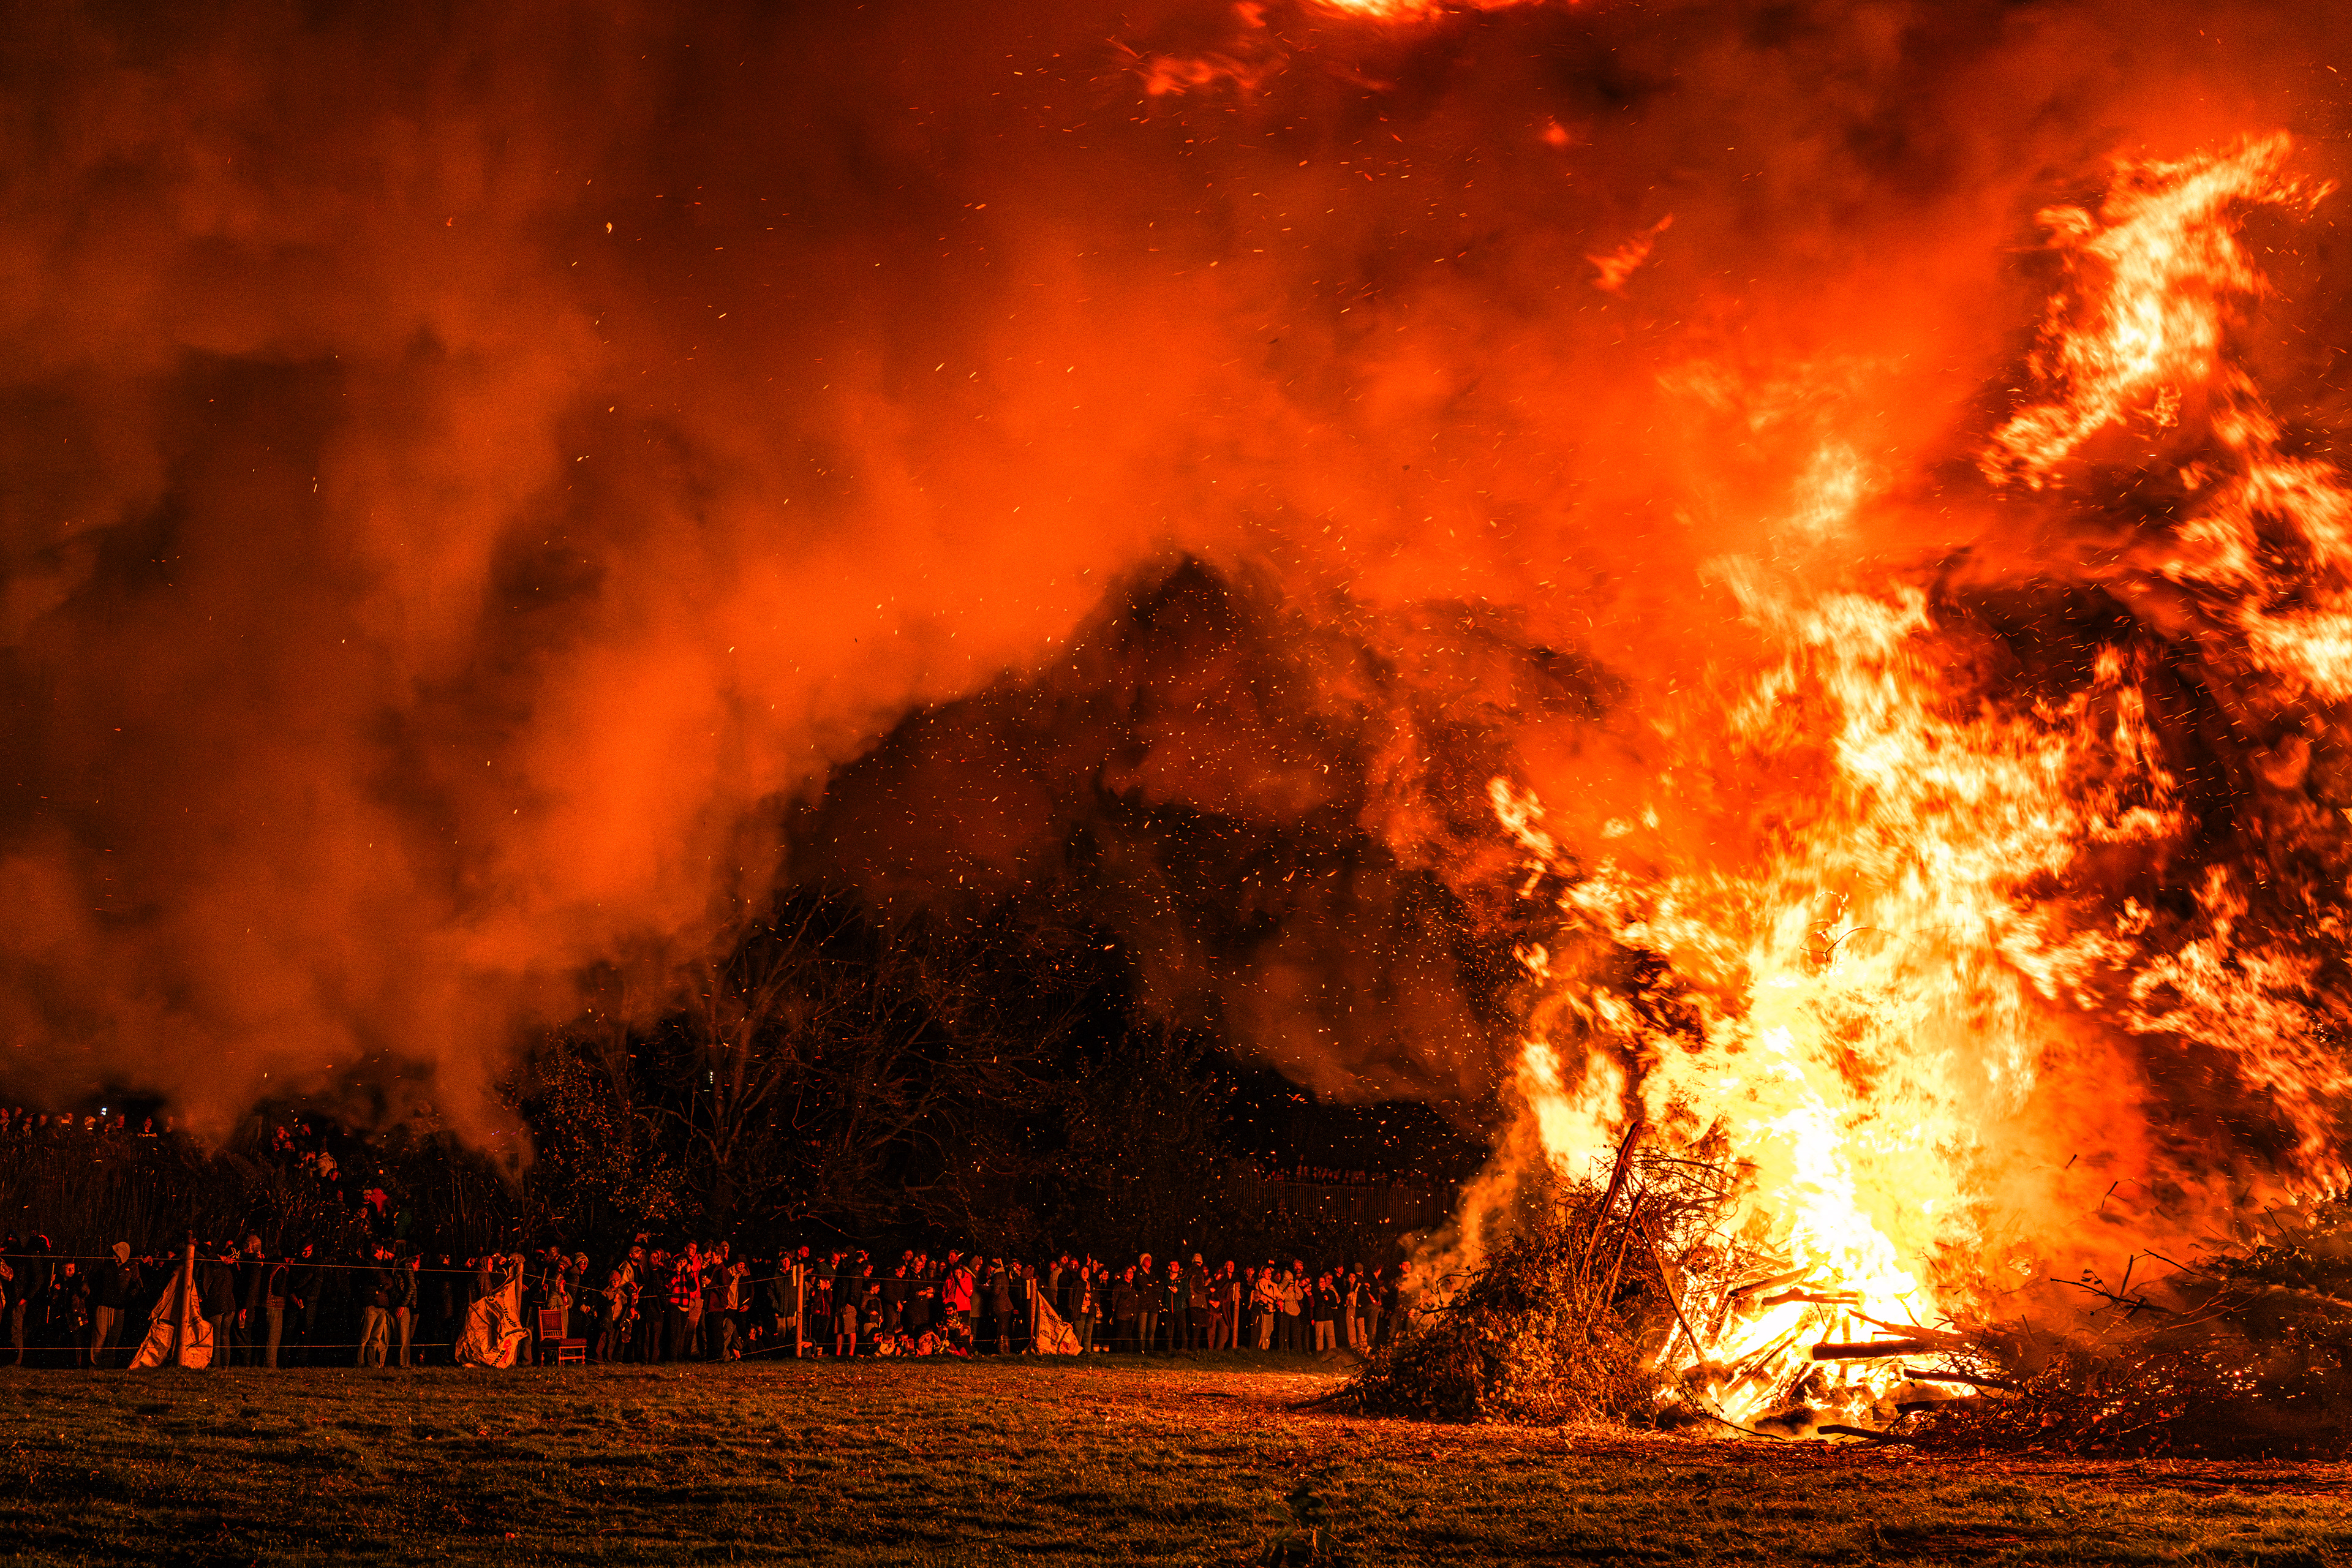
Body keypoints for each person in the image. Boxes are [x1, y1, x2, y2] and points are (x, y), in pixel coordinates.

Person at [89, 1243, 141, 1370]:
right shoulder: (106, 1265)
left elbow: (138, 1285)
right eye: (113, 1253)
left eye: (117, 1253)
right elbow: (94, 1281)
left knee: (114, 1338)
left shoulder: (132, 1267)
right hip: (104, 1305)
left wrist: (129, 1298)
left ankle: (108, 1366)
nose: (114, 1256)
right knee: (99, 1336)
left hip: (120, 1307)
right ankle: (95, 1364)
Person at [357, 1246, 393, 1368]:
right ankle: (360, 1361)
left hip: (379, 1304)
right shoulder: (371, 1264)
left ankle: (370, 1361)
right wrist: (385, 1284)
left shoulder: (377, 1265)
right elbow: (382, 1279)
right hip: (373, 1303)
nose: (383, 1252)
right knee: (366, 1335)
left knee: (375, 1336)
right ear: (378, 1251)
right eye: (382, 1250)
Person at [1110, 1267, 1139, 1354]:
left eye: (1132, 1272)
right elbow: (1115, 1298)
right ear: (1125, 1274)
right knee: (1120, 1333)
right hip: (1121, 1313)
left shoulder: (1133, 1286)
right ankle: (1118, 1352)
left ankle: (1127, 1352)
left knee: (1128, 1333)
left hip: (1130, 1313)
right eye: (1129, 1272)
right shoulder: (1120, 1285)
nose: (1131, 1274)